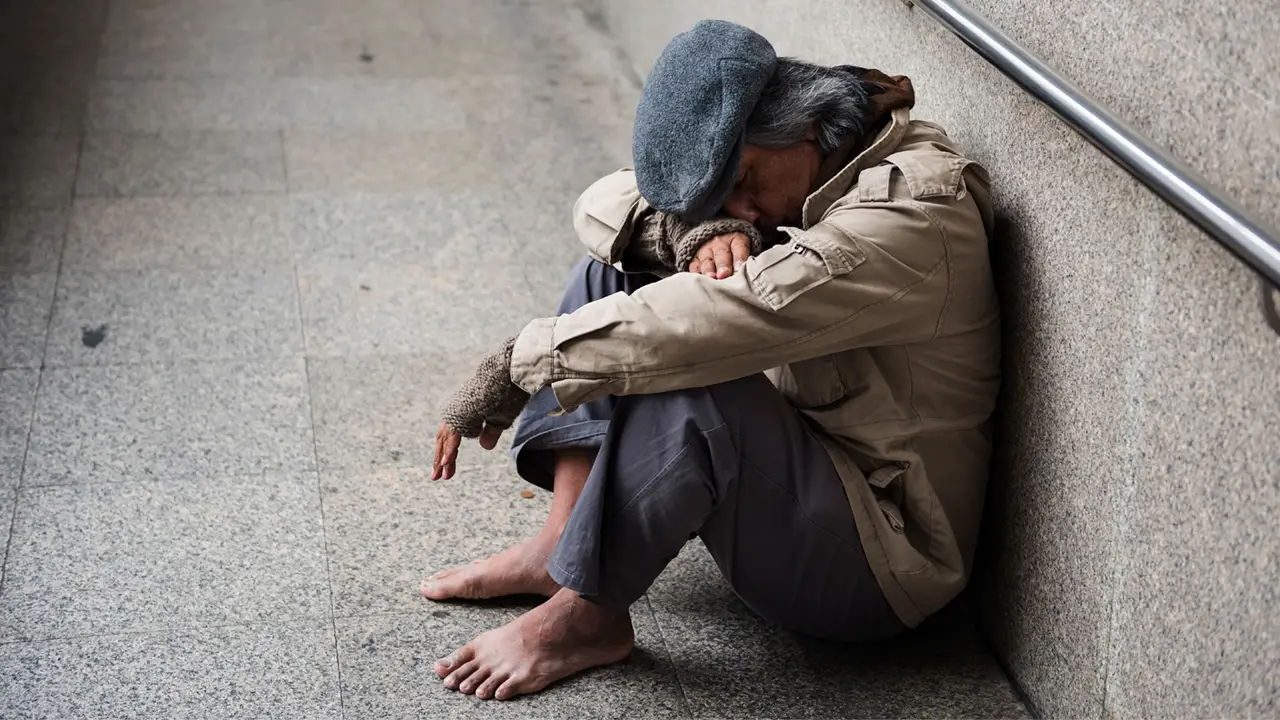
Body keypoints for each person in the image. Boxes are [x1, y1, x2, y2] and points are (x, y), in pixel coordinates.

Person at [423, 18, 1000, 702]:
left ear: (804, 126)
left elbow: (723, 319)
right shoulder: (823, 158)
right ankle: (562, 545)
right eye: (727, 195)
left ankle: (587, 618)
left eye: (746, 180)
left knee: (691, 370)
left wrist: (525, 359)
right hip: (796, 467)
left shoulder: (911, 216)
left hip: (876, 560)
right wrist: (698, 229)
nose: (745, 209)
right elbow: (604, 203)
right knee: (611, 275)